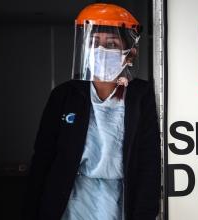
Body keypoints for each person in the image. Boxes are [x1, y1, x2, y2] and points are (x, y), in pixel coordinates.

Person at [21, 3, 161, 220]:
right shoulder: (65, 96)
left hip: (120, 201)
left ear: (130, 53)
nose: (101, 50)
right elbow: (43, 159)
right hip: (71, 200)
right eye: (94, 43)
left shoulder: (141, 97)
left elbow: (148, 166)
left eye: (111, 43)